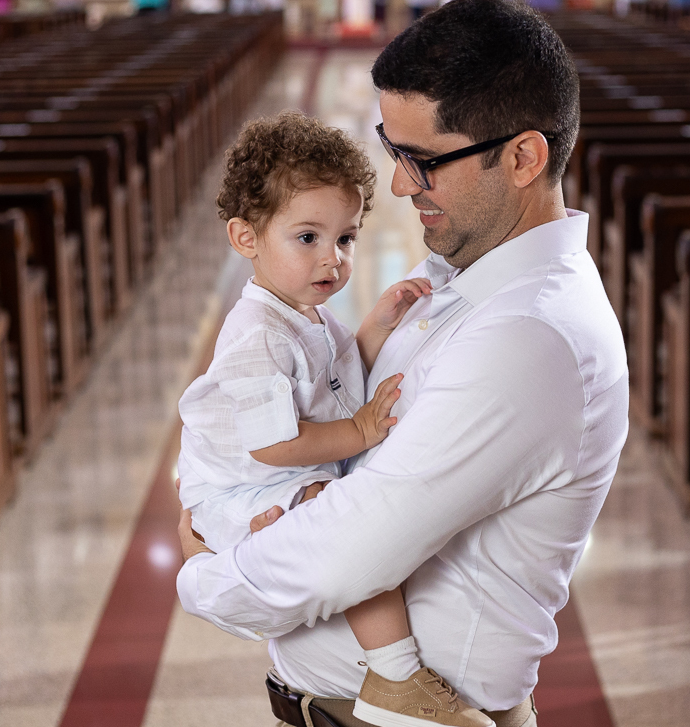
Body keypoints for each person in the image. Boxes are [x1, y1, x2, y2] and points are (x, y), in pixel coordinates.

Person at [177, 0, 628, 727]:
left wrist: (203, 574)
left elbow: (351, 547)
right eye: (395, 152)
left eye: (422, 160)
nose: (398, 185)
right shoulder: (463, 279)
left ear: (523, 157)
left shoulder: (528, 337)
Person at [176, 111, 493, 727]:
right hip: (238, 490)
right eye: (307, 238)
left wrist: (377, 322)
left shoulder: (301, 313)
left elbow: (340, 377)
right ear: (246, 238)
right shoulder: (256, 334)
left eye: (345, 239)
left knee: (347, 514)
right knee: (344, 520)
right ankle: (396, 672)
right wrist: (360, 434)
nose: (333, 259)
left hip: (269, 477)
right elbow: (273, 444)